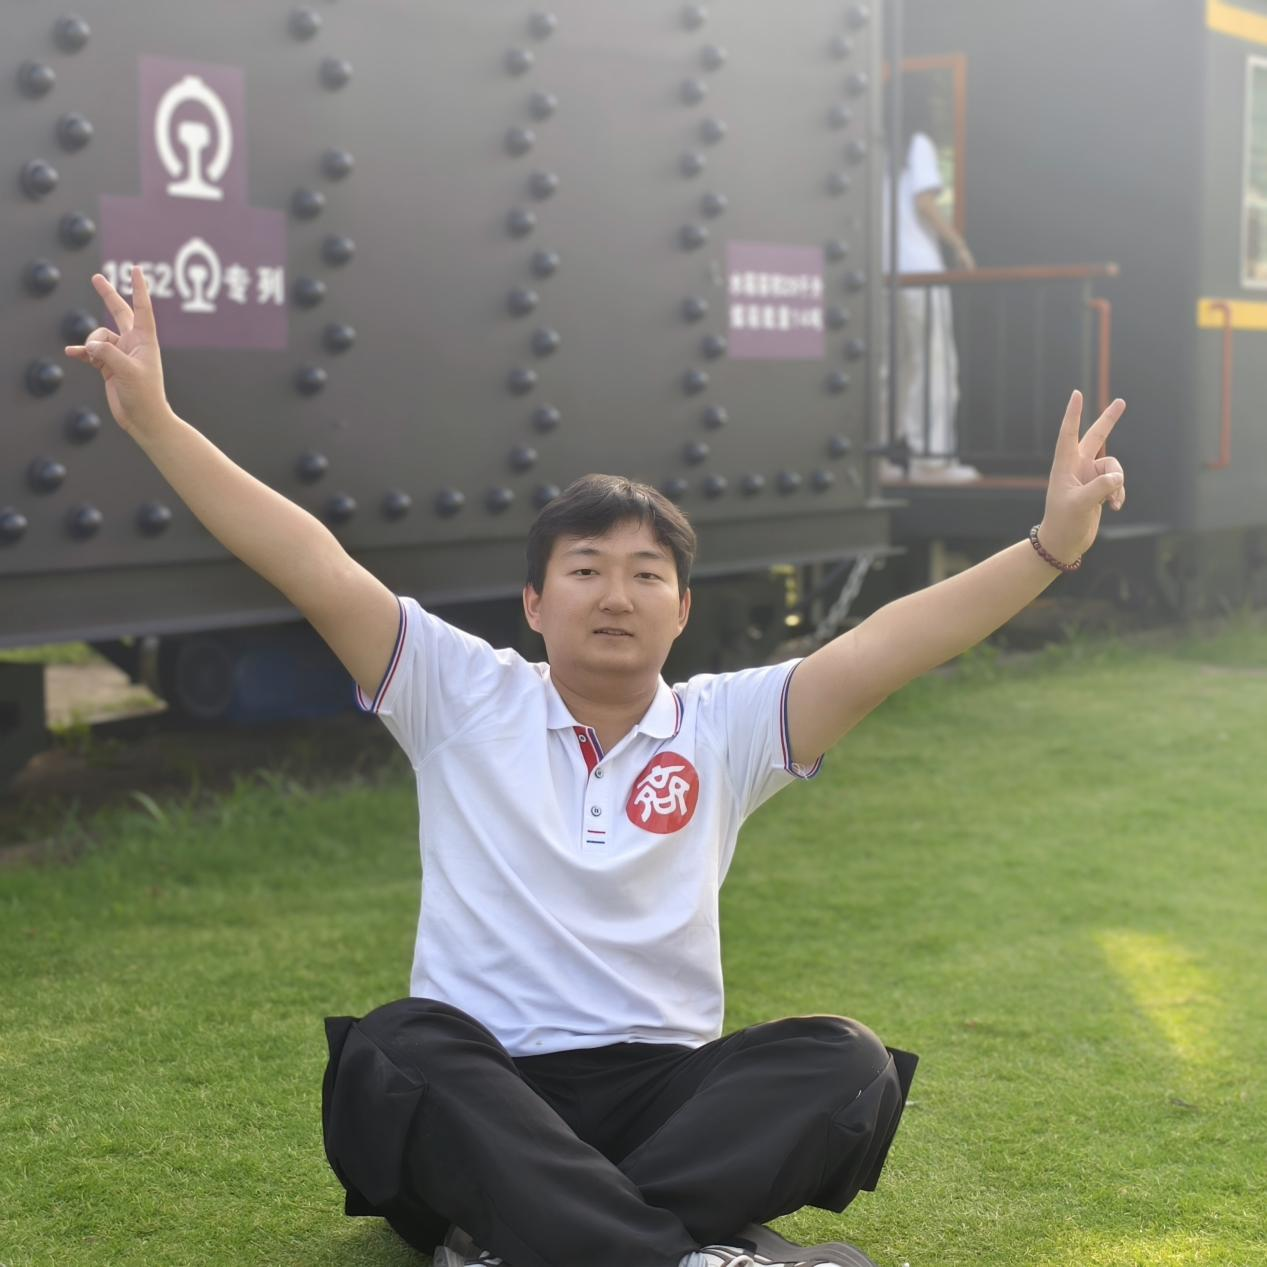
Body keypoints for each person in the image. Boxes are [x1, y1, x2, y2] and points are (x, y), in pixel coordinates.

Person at [66, 267, 1127, 1267]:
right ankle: (677, 1249)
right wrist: (155, 420)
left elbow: (890, 643)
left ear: (682, 608)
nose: (616, 594)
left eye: (645, 574)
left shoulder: (726, 725)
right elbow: (309, 561)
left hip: (663, 1097)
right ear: (534, 603)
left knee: (843, 1061)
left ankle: (527, 1235)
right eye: (584, 569)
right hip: (487, 1088)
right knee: (395, 1051)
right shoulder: (458, 691)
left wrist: (1048, 546)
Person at [882, 83, 980, 483]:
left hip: (885, 275)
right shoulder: (919, 143)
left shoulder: (879, 152)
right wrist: (958, 243)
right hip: (921, 270)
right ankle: (931, 461)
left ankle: (882, 460)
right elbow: (925, 201)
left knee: (891, 367)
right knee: (934, 363)